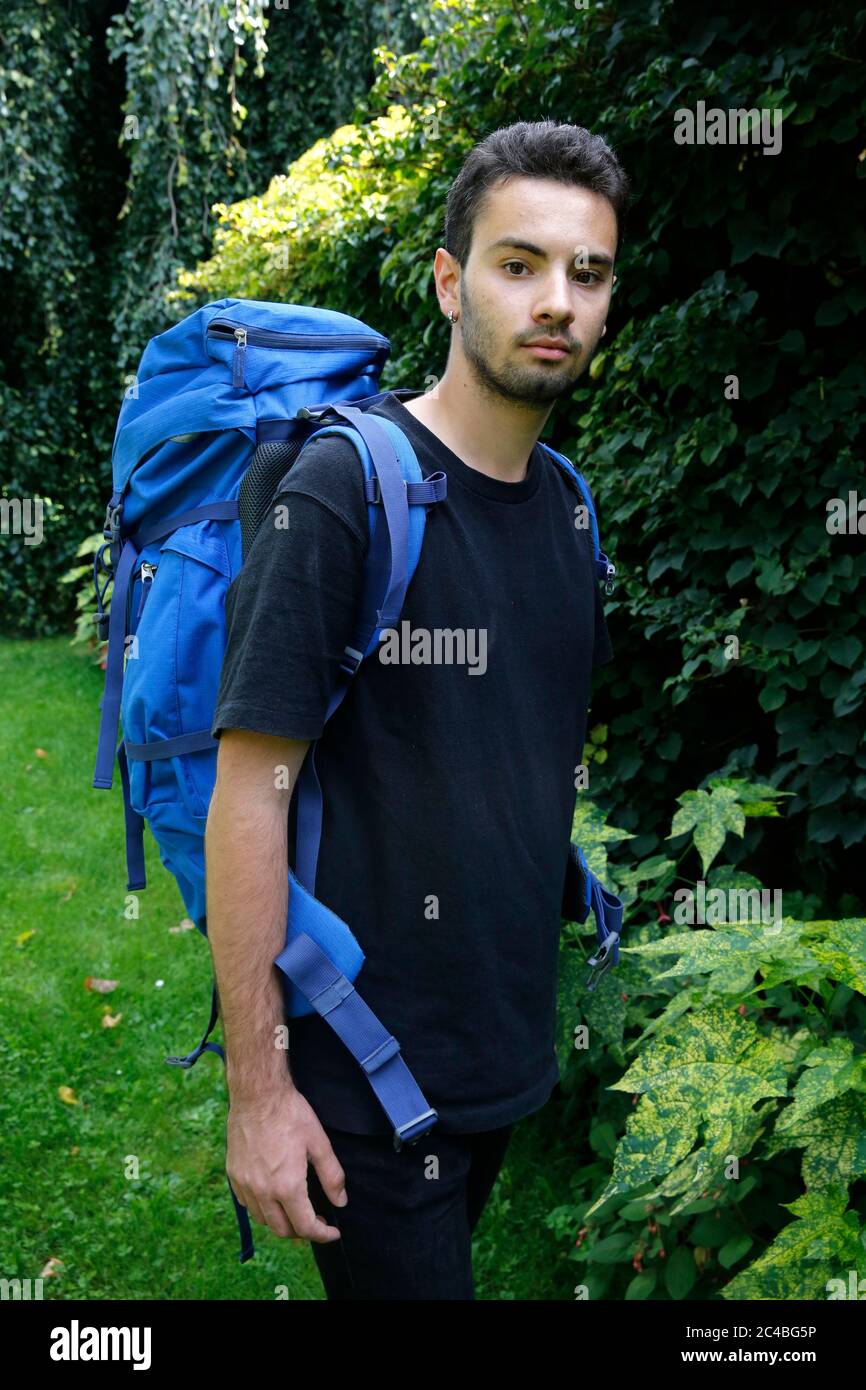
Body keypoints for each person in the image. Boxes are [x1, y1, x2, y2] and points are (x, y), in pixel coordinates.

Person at [205, 119, 630, 1300]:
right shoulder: (346, 492)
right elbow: (249, 791)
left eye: (584, 273)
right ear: (449, 281)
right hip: (363, 1074)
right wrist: (260, 1091)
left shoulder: (567, 509)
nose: (555, 299)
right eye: (517, 262)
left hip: (497, 1054)